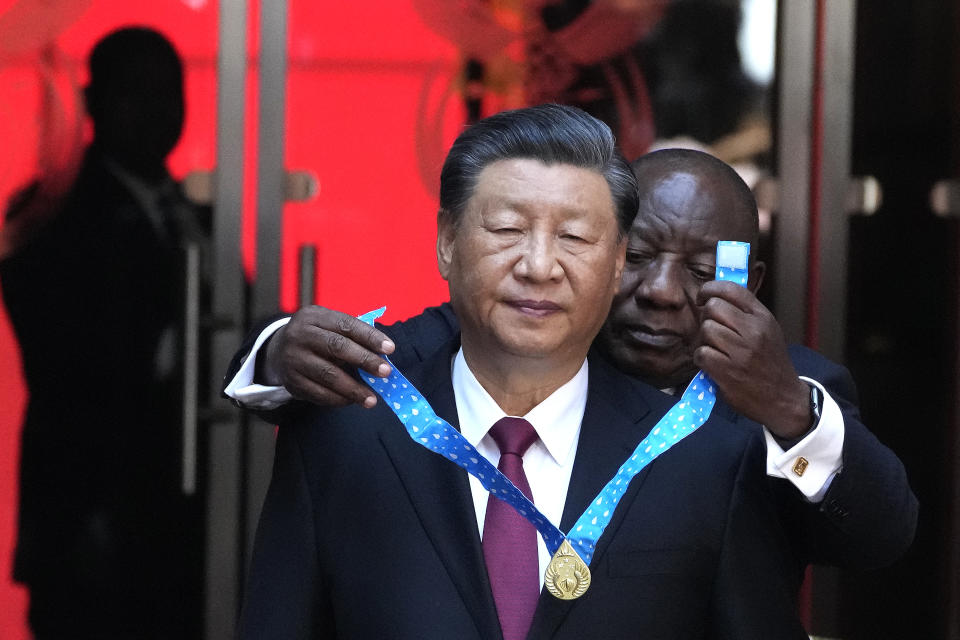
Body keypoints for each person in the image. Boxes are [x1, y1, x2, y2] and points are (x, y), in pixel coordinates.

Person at [236, 105, 816, 639]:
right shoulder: (344, 435)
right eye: (508, 229)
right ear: (447, 242)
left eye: (574, 237)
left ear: (617, 263)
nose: (539, 267)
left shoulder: (705, 457)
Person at [0, 27, 206, 639]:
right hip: (91, 521)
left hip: (185, 522)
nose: (158, 111)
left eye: (169, 92)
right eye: (136, 93)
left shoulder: (196, 213)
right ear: (94, 102)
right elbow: (71, 363)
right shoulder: (48, 213)